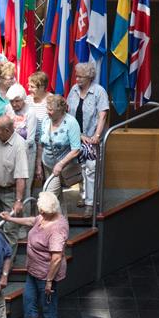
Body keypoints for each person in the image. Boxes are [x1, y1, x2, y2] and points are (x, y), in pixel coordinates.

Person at [1, 191, 68, 318]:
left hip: (46, 275)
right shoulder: (44, 217)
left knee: (48, 305)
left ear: (49, 210)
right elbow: (33, 221)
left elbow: (56, 258)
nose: (40, 213)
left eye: (42, 211)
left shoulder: (57, 228)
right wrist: (10, 219)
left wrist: (49, 281)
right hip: (33, 270)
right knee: (29, 300)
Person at [66, 62, 110, 217]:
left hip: (92, 139)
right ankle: (83, 196)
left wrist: (96, 137)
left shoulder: (99, 92)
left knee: (91, 169)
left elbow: (102, 115)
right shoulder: (74, 90)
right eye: (76, 76)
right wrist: (77, 135)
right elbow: (68, 112)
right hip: (77, 137)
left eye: (80, 76)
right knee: (80, 168)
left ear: (89, 77)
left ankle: (91, 203)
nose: (77, 79)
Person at [0, 116, 29, 256]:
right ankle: (0, 258)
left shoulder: (19, 145)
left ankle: (7, 267)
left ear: (7, 130)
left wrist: (18, 201)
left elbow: (21, 176)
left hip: (11, 193)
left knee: (10, 230)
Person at [37, 94, 81, 216]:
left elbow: (76, 149)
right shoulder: (46, 120)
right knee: (58, 199)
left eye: (50, 110)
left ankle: (47, 227)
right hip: (47, 165)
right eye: (47, 108)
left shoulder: (71, 123)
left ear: (60, 110)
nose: (47, 112)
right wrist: (38, 166)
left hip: (62, 168)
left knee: (48, 196)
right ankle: (63, 226)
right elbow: (41, 144)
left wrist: (60, 164)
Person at [4, 83, 38, 209]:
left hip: (27, 153)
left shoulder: (31, 112)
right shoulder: (8, 109)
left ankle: (26, 218)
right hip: (10, 151)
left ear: (23, 99)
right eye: (12, 101)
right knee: (12, 185)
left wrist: (15, 146)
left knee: (25, 186)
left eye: (17, 101)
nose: (14, 104)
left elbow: (30, 139)